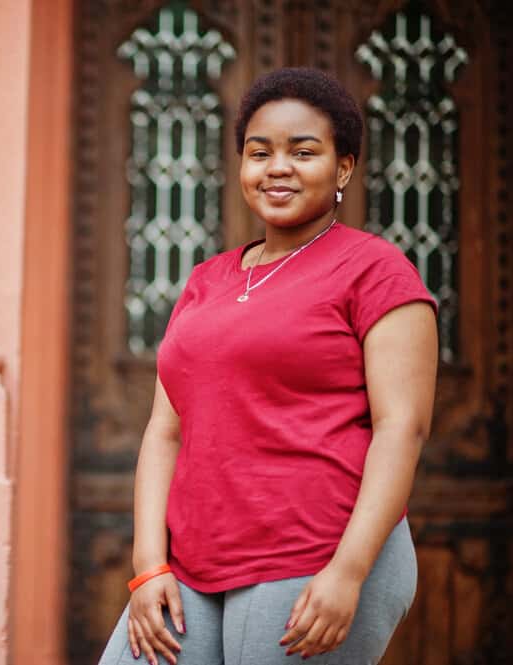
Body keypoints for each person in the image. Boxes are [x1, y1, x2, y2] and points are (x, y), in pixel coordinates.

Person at [97, 67, 438, 665]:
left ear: (343, 168)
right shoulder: (208, 280)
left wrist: (348, 571)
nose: (277, 167)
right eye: (260, 153)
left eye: (303, 152)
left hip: (315, 554)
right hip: (191, 565)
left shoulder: (375, 271)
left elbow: (401, 429)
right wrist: (147, 563)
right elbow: (165, 429)